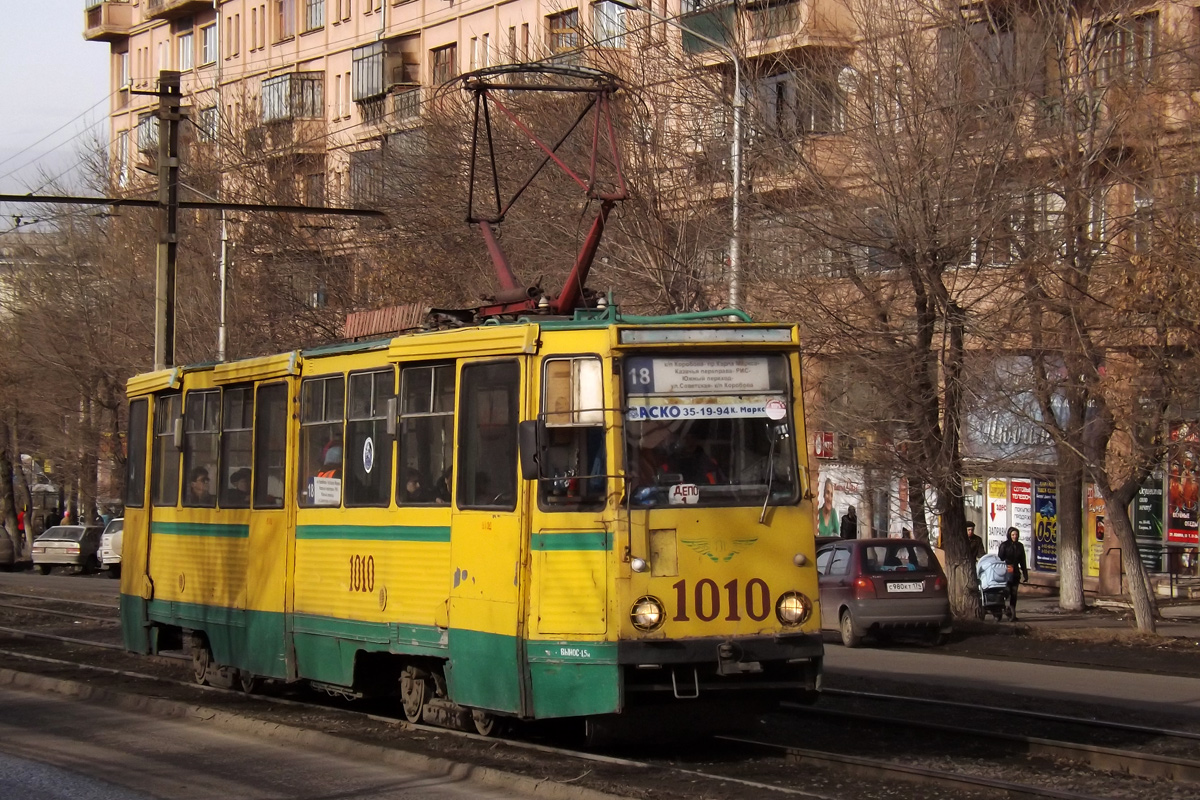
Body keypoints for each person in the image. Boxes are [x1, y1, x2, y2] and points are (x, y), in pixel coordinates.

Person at [997, 526, 1029, 621]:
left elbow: (1023, 561)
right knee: (1006, 592)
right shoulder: (1004, 545)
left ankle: (1012, 612)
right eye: (1013, 535)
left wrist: (1025, 574)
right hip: (1006, 571)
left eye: (1016, 535)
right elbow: (1000, 559)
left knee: (1014, 594)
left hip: (1015, 572)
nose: (1015, 536)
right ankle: (1002, 609)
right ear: (1009, 535)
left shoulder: (1020, 546)